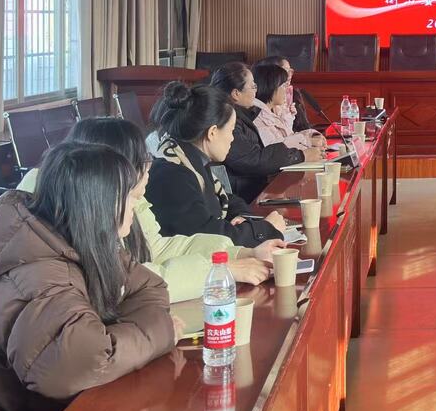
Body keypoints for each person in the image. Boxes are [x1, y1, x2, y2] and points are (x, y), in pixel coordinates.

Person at [0, 143, 178, 411]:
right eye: (128, 196)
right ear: (98, 204)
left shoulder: (80, 242)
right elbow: (79, 365)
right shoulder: (42, 274)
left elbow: (149, 287)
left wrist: (115, 336)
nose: (136, 204)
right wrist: (159, 331)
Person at [17, 118, 283, 301]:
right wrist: (224, 272)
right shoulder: (68, 211)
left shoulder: (120, 194)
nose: (149, 170)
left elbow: (156, 249)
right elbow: (124, 283)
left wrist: (240, 254)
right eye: (141, 162)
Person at [146, 81, 290, 246]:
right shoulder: (172, 174)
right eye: (231, 130)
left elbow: (226, 199)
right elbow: (207, 237)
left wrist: (241, 216)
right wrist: (265, 228)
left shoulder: (189, 157)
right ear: (212, 132)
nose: (232, 138)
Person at [211, 62, 322, 201]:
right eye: (253, 86)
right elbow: (252, 160)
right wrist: (300, 156)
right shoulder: (226, 120)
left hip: (253, 191)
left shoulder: (241, 114)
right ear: (236, 93)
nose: (256, 91)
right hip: (246, 196)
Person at [251, 63, 327, 150]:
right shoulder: (256, 115)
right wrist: (308, 141)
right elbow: (275, 149)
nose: (287, 90)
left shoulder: (273, 112)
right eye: (284, 86)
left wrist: (313, 135)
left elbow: (289, 136)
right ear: (271, 86)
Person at [255, 55, 316, 132]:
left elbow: (304, 126)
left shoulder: (294, 95)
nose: (289, 75)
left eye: (290, 71)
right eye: (285, 71)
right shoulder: (259, 108)